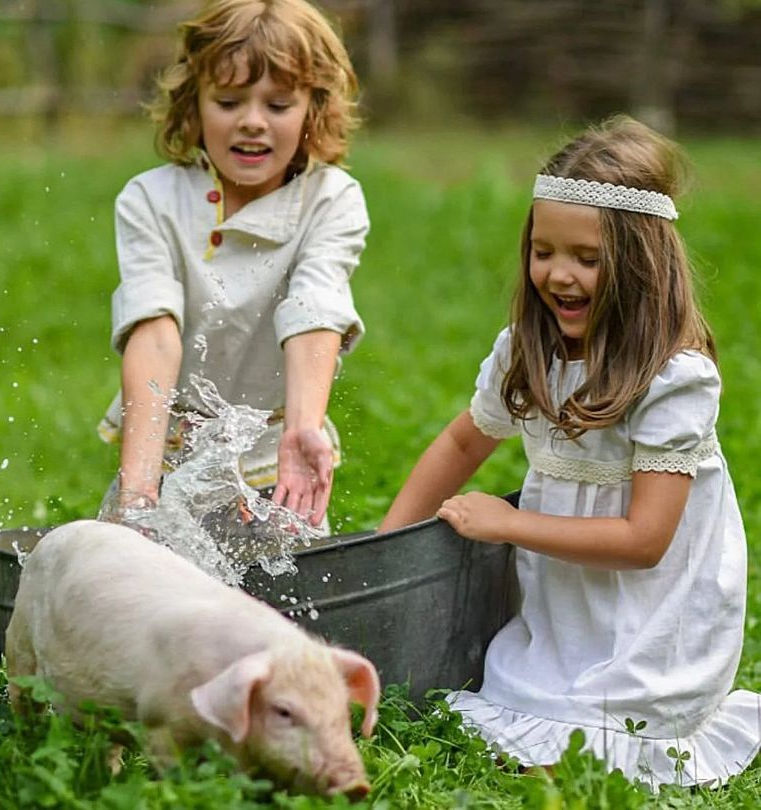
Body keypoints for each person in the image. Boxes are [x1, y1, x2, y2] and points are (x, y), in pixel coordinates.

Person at [378, 116, 759, 788]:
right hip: (565, 603)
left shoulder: (674, 379)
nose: (558, 274)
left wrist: (506, 523)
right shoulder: (529, 352)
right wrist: (389, 544)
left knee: (596, 741)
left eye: (587, 258)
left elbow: (645, 540)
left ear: (641, 265)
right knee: (513, 706)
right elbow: (466, 438)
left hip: (650, 619)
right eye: (544, 251)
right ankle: (550, 676)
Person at [97, 0, 368, 529]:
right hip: (167, 451)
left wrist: (303, 429)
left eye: (278, 105)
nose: (251, 123)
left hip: (278, 457)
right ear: (193, 104)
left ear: (313, 108)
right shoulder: (151, 200)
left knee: (278, 608)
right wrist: (138, 494)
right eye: (228, 100)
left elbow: (315, 309)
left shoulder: (331, 200)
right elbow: (153, 332)